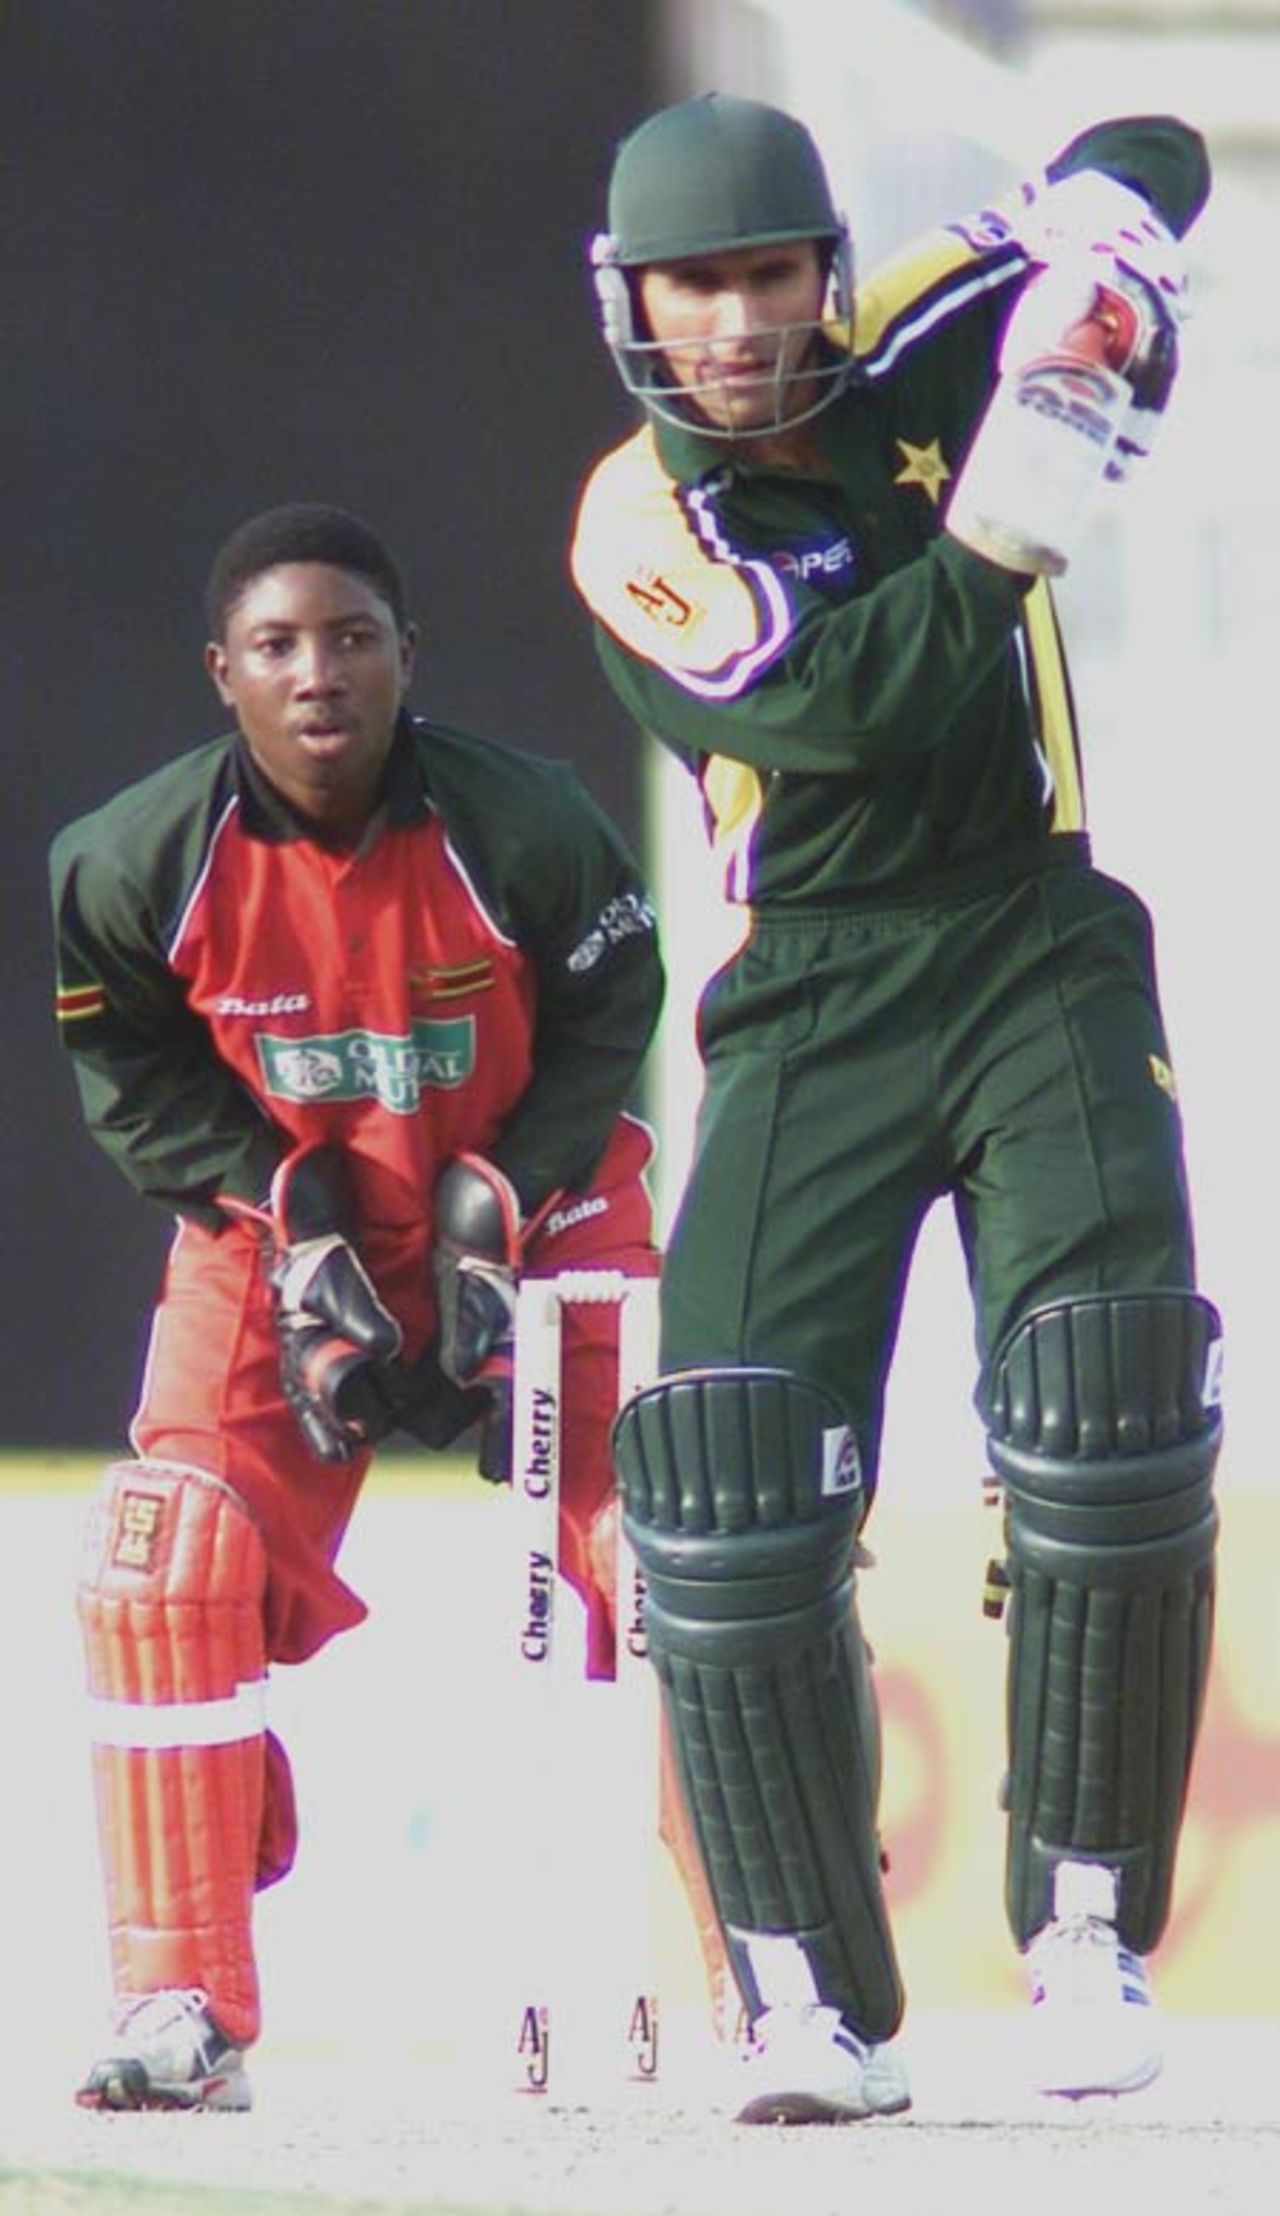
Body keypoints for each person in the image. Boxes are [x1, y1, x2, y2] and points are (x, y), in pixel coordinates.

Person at [570, 93, 1222, 2122]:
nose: (744, 326)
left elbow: (1155, 149)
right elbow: (850, 713)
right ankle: (808, 2006)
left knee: (1108, 1393)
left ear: (826, 271)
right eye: (701, 289)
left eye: (773, 276)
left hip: (1032, 931)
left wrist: (1110, 262)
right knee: (730, 1475)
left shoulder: (938, 326)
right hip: (814, 987)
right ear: (636, 305)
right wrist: (1025, 495)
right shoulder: (632, 522)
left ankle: (1089, 1936)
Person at [49, 502, 664, 2110]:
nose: (316, 673)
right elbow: (135, 1071)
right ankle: (181, 2004)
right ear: (222, 676)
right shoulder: (129, 866)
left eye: (350, 638)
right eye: (275, 646)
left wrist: (501, 1200)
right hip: (282, 1227)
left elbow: (613, 1015)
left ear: (408, 658)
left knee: (683, 1536)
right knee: (164, 1558)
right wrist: (282, 1202)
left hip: (537, 1198)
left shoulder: (524, 822)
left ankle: (769, 1976)